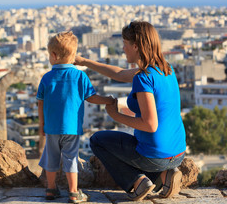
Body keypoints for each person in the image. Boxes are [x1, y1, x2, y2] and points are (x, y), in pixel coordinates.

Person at [75, 21, 186, 201]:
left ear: (136, 46)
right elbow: (118, 74)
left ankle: (137, 182)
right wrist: (84, 62)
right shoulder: (166, 69)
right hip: (178, 151)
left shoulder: (143, 78)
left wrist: (115, 115)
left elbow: (150, 125)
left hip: (155, 155)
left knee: (97, 141)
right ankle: (167, 175)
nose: (123, 49)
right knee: (139, 146)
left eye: (125, 45)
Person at [37, 31, 114, 203]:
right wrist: (108, 100)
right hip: (72, 128)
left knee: (51, 158)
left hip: (51, 127)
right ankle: (73, 192)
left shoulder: (47, 78)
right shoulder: (80, 76)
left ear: (54, 56)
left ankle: (50, 189)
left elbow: (40, 102)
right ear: (73, 56)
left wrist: (41, 124)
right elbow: (92, 97)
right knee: (70, 159)